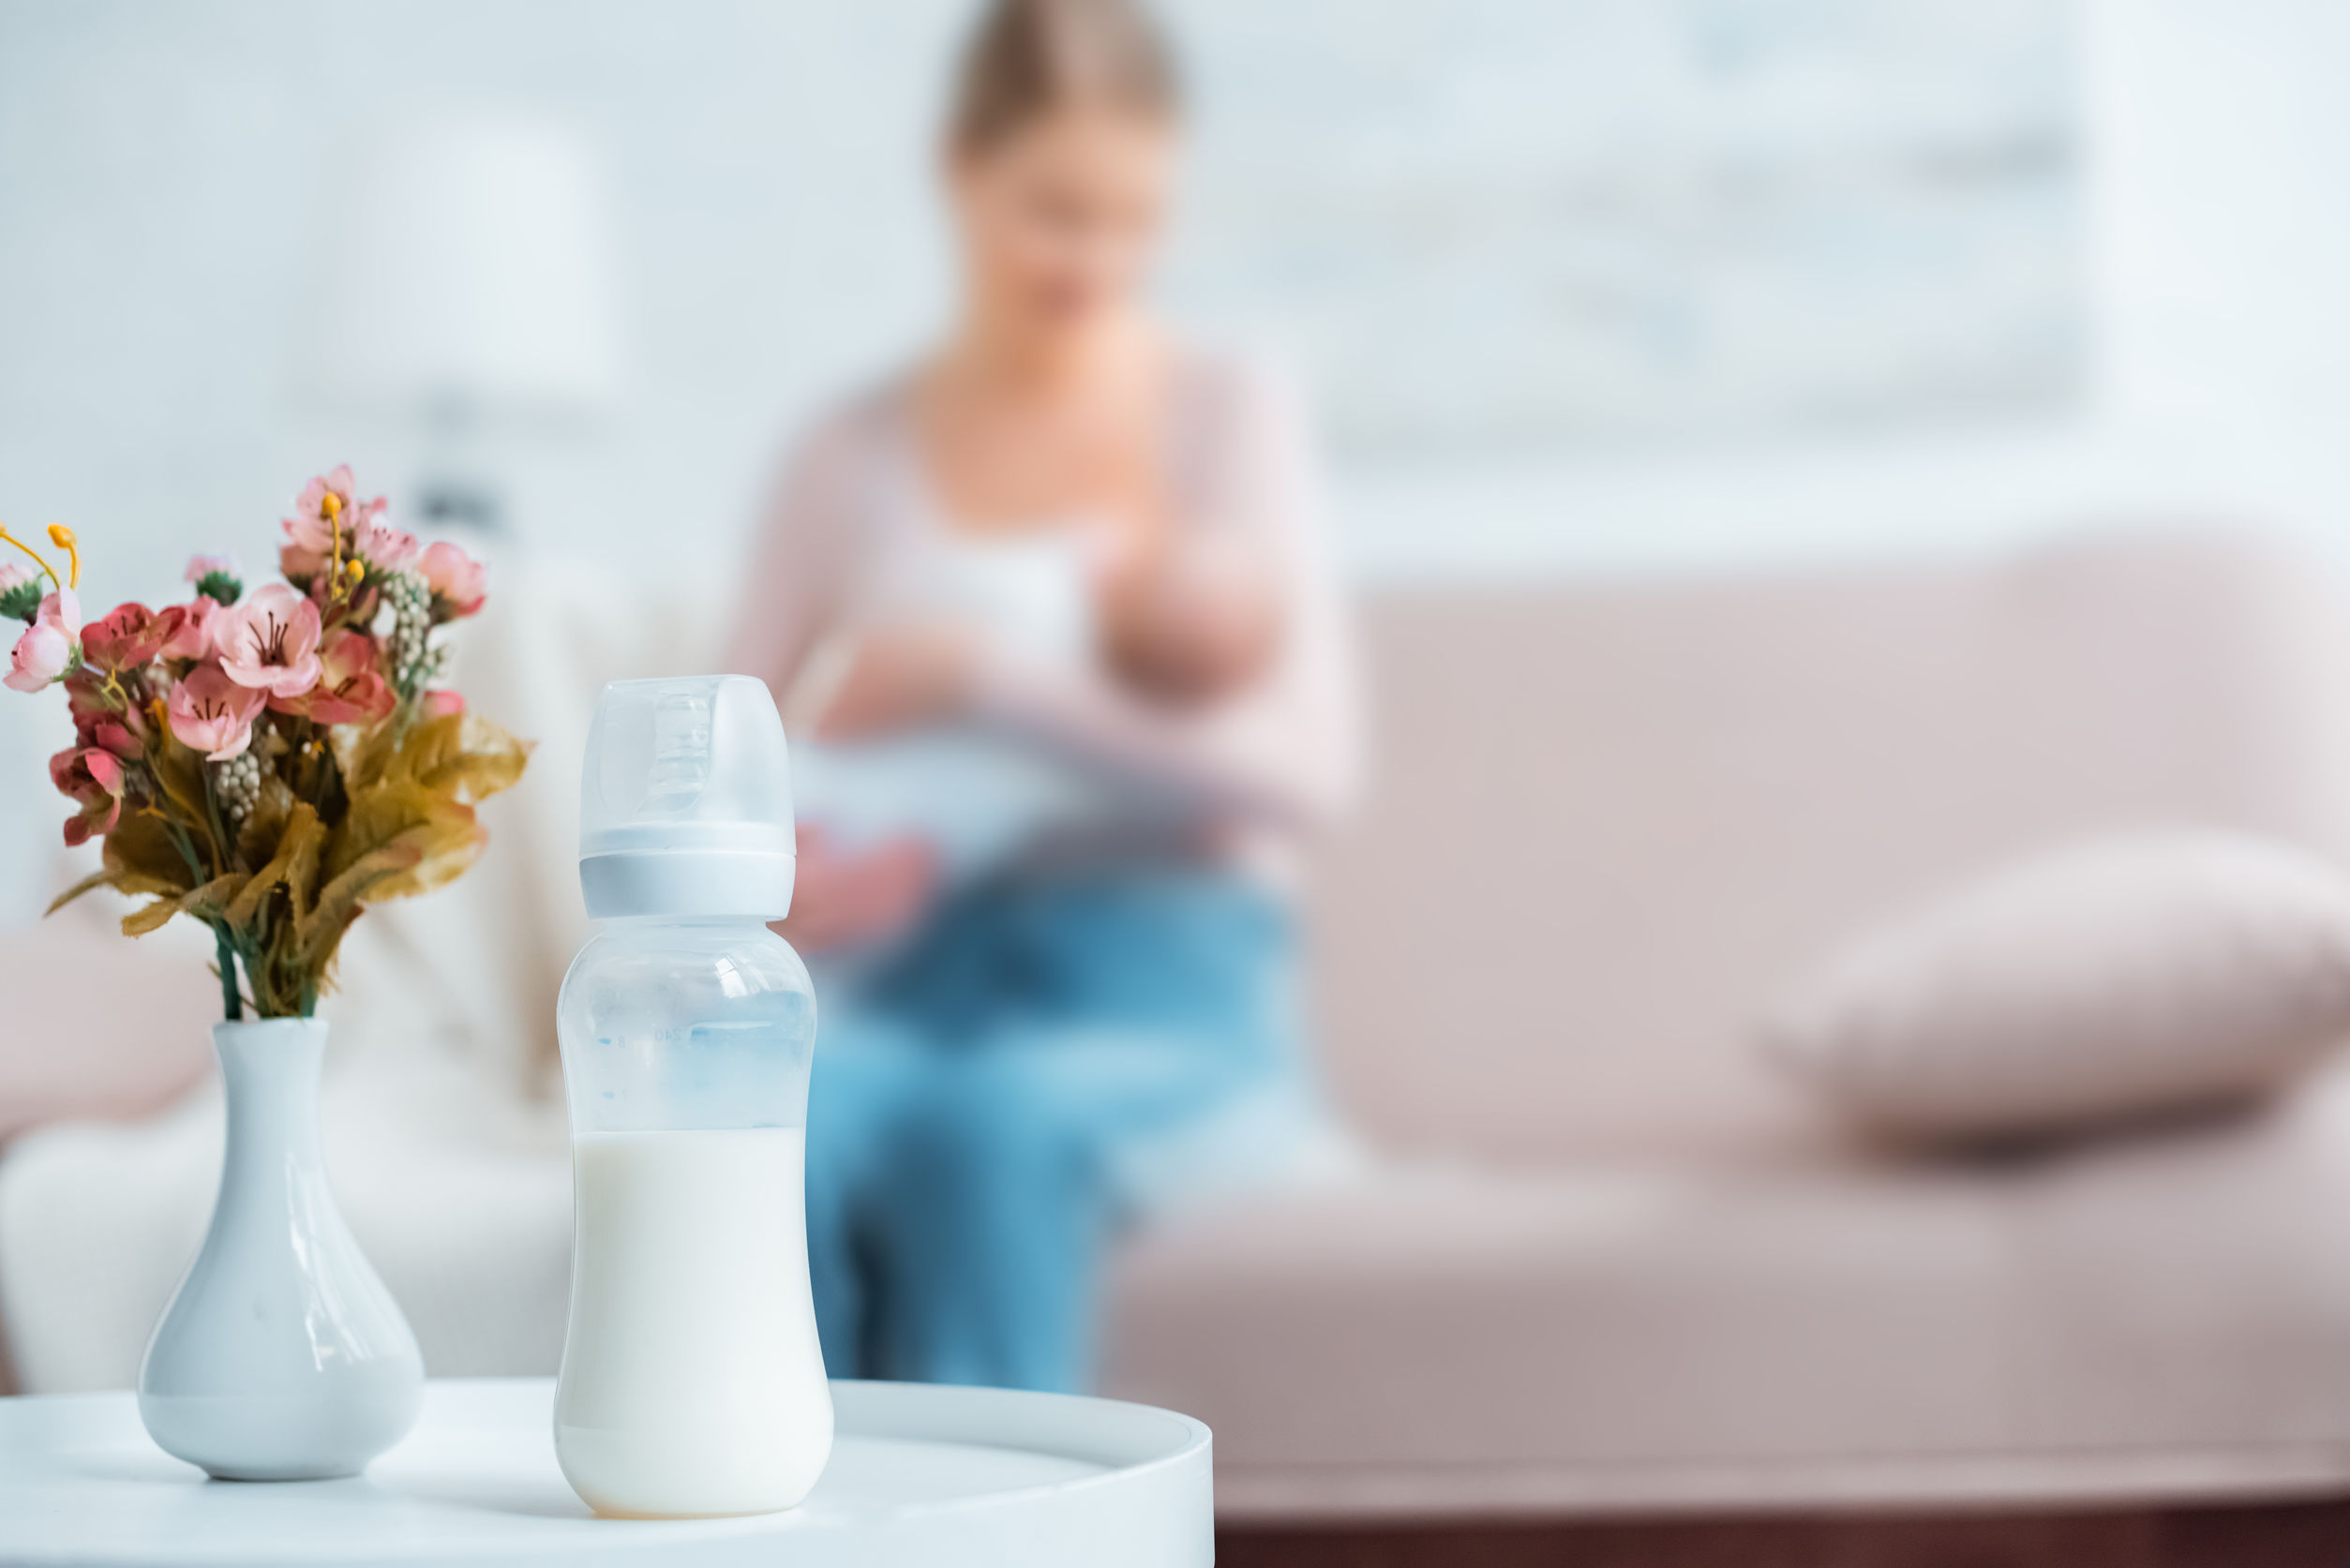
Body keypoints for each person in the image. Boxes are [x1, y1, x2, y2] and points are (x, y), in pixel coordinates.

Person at [724, 0, 1360, 1394]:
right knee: (784, 1125)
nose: (1099, 260)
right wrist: (771, 891)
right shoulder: (846, 458)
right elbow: (707, 768)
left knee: (993, 1124)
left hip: (1168, 990)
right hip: (907, 982)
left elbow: (1300, 776)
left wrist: (984, 679)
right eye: (1056, 211)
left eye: (1135, 218)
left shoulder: (1223, 409)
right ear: (960, 168)